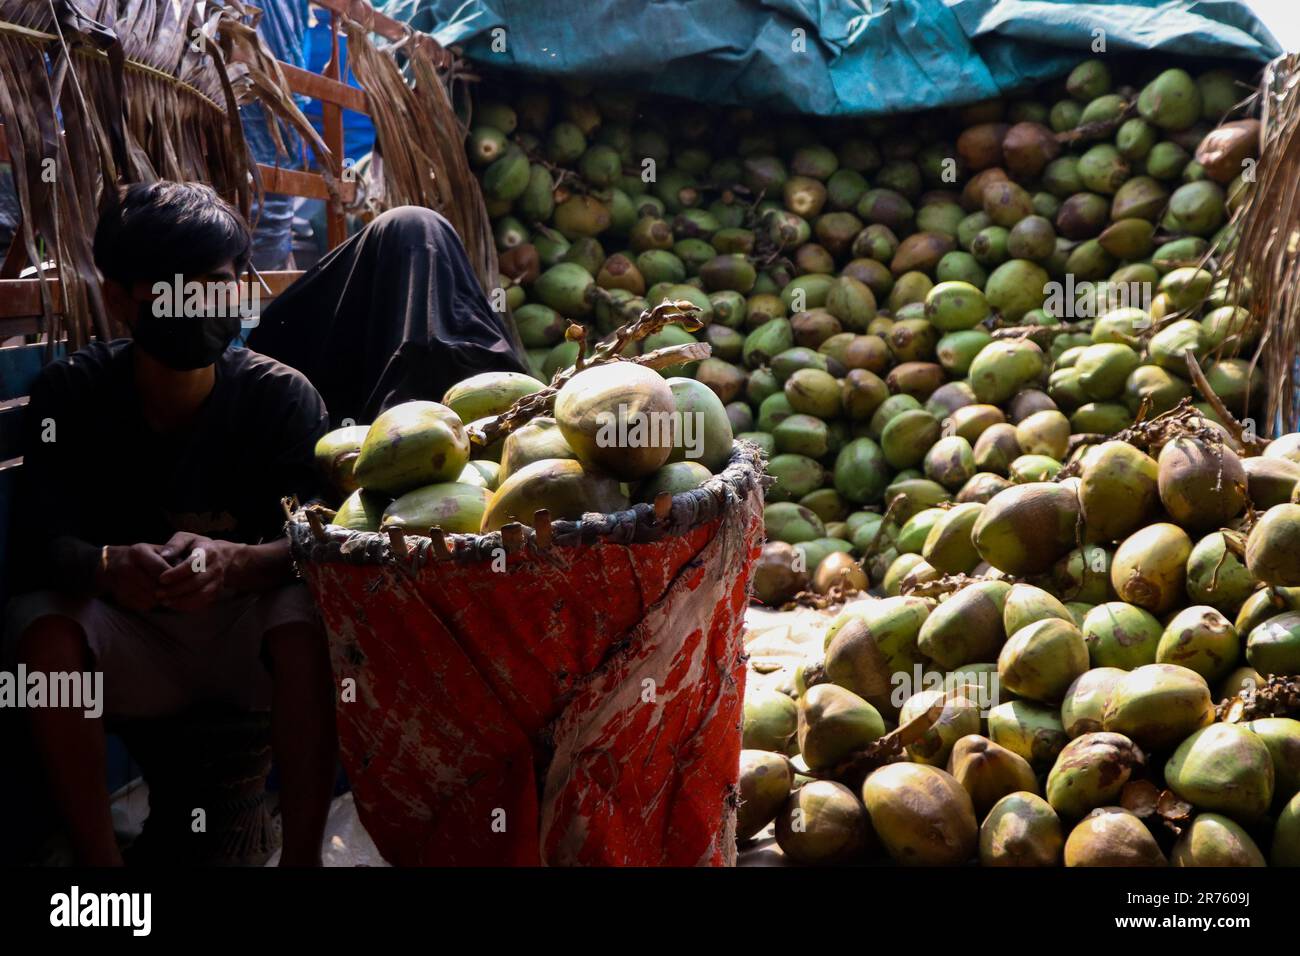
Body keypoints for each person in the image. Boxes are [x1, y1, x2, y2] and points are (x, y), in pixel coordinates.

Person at [3, 181, 337, 866]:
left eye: (216, 285)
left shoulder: (282, 398)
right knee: (42, 631)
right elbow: (36, 545)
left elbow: (320, 543)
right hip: (135, 643)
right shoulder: (71, 395)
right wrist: (106, 566)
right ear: (121, 297)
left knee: (310, 613)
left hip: (246, 645)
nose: (201, 305)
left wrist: (240, 564)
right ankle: (105, 875)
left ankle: (303, 860)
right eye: (175, 288)